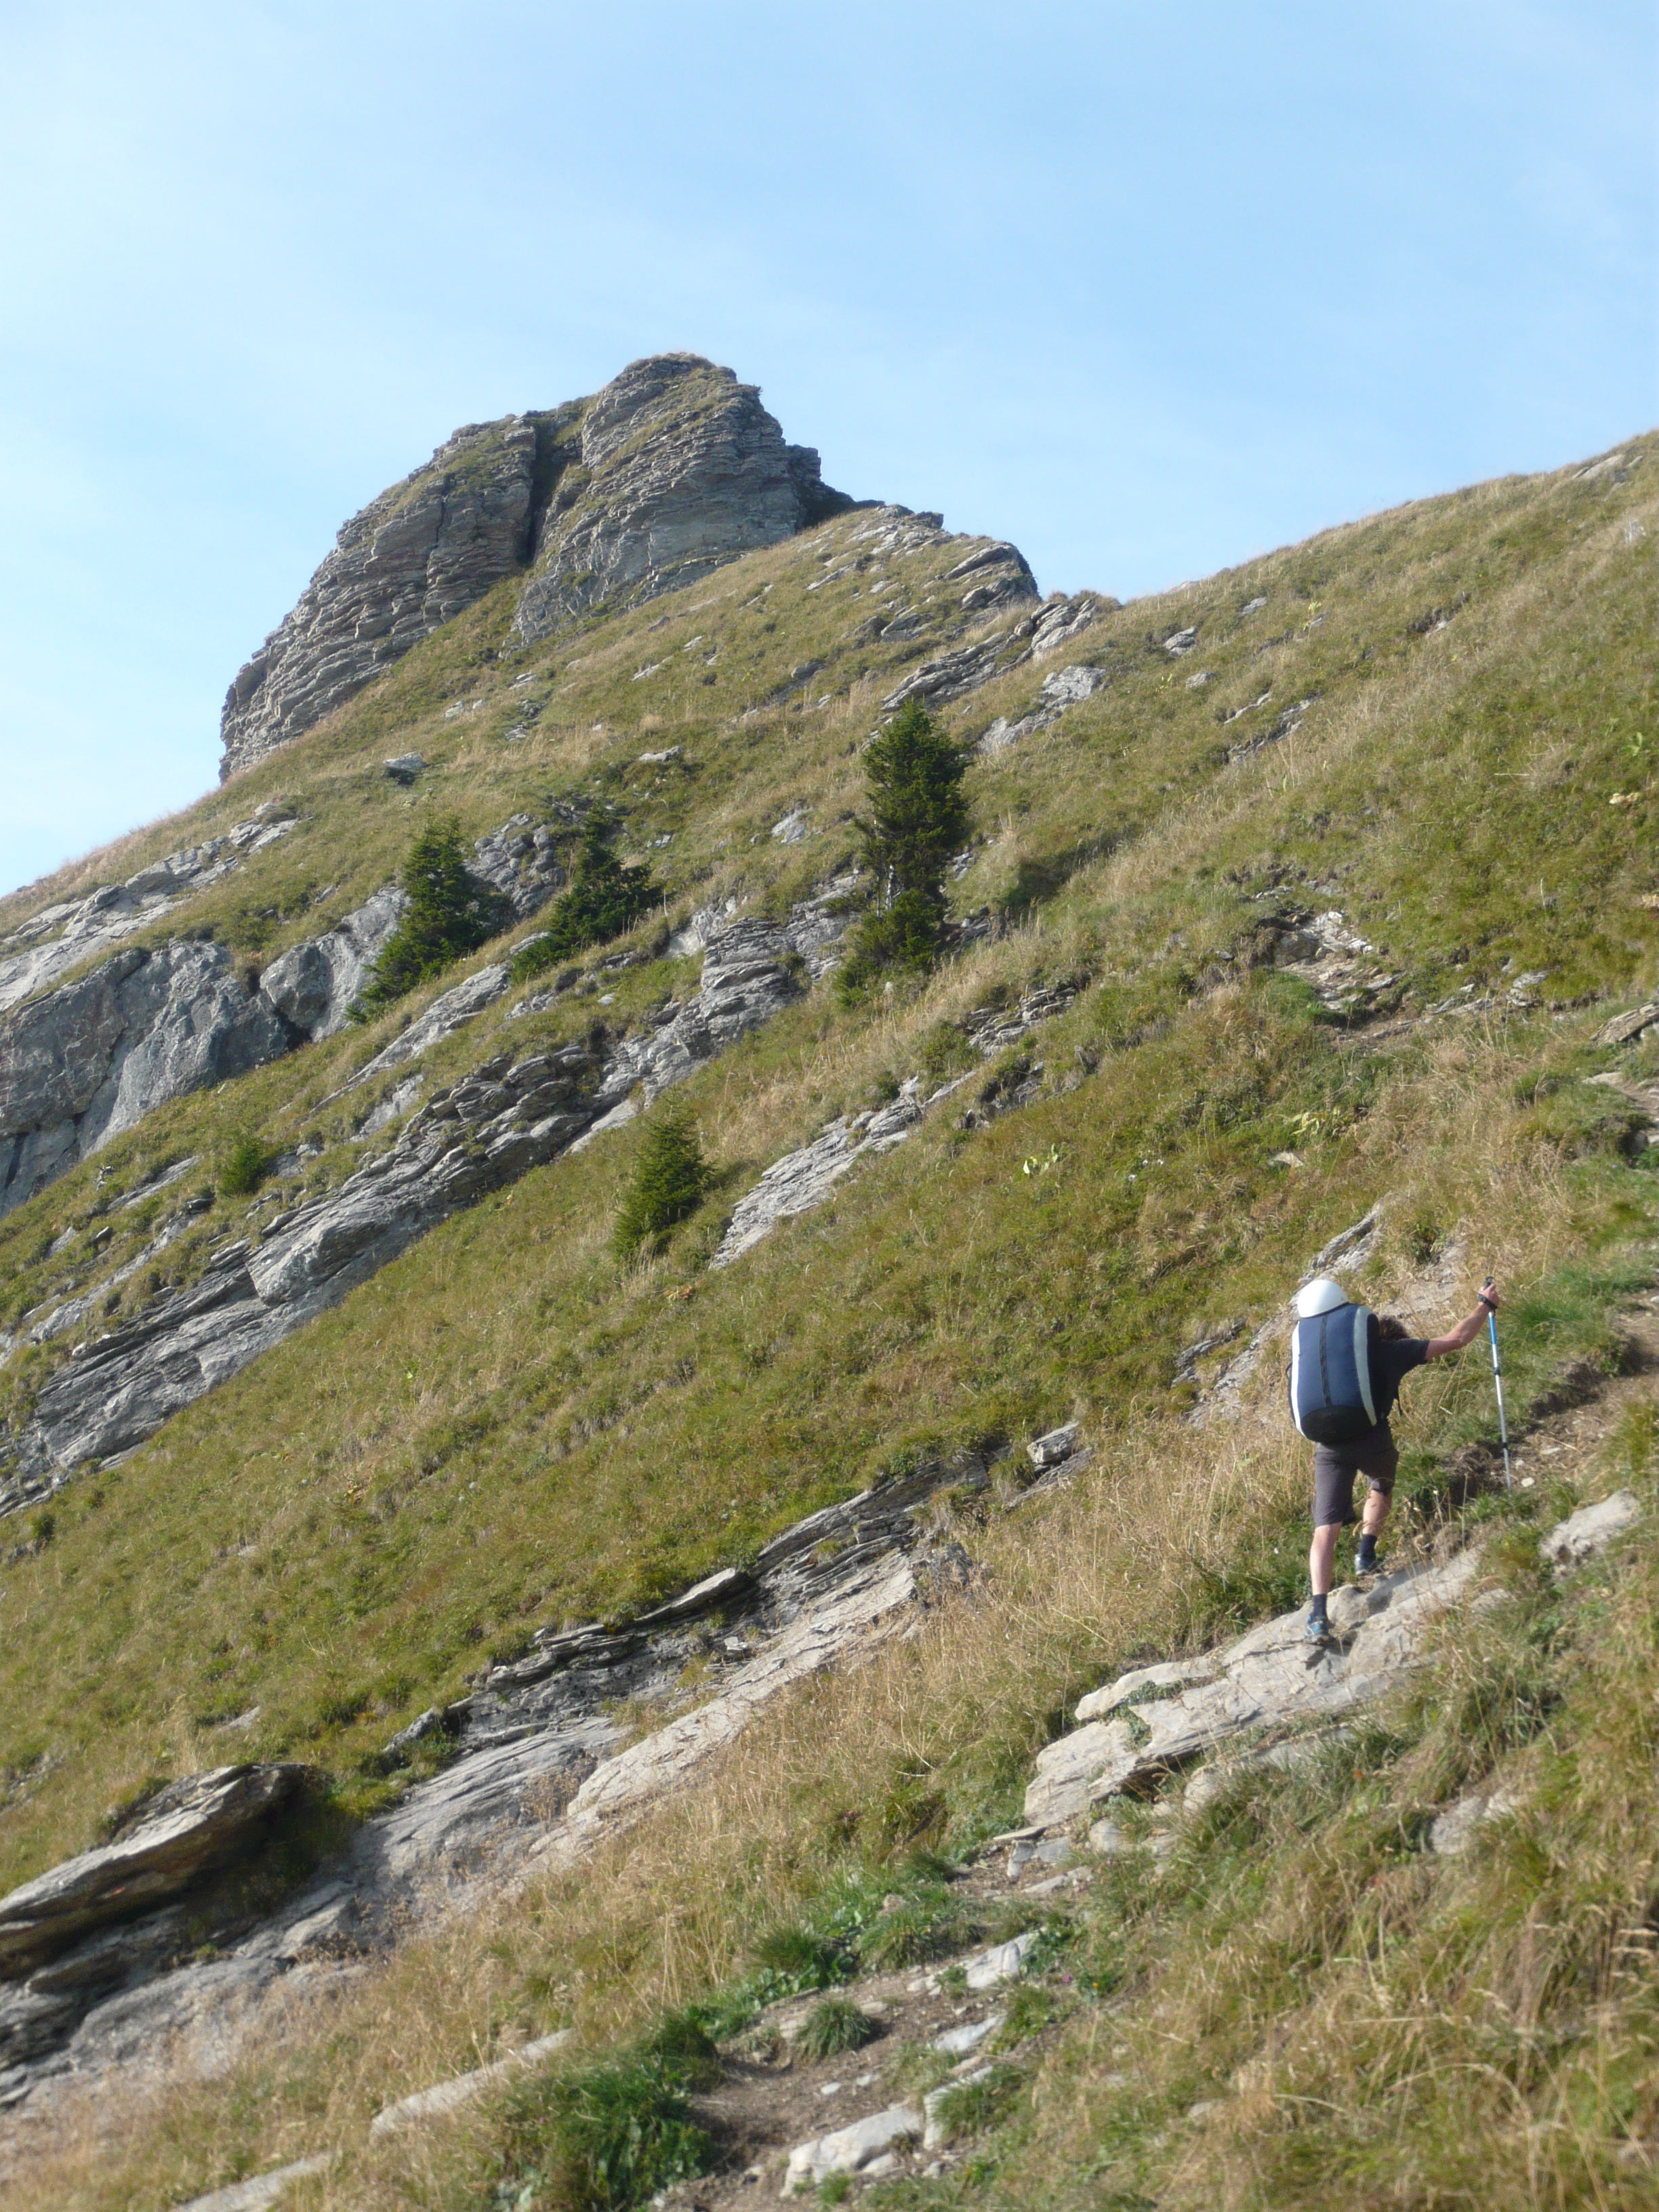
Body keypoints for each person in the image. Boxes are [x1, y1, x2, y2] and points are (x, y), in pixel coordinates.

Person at [1296, 1275, 1501, 1643]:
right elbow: (1457, 1338)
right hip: (1372, 1439)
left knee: (1325, 1529)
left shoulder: (1314, 1363)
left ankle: (1317, 1614)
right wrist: (1484, 1304)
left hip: (1328, 1446)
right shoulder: (1391, 1352)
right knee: (1381, 1483)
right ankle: (1365, 1554)